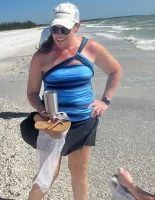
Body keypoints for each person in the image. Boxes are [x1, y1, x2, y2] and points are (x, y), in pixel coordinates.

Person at [25, 2, 122, 200]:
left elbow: (115, 71)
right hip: (55, 124)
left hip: (84, 122)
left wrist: (105, 101)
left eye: (65, 29)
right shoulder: (41, 57)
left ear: (77, 26)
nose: (58, 34)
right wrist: (43, 111)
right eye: (55, 28)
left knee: (79, 172)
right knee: (48, 174)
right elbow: (32, 93)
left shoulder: (91, 48)